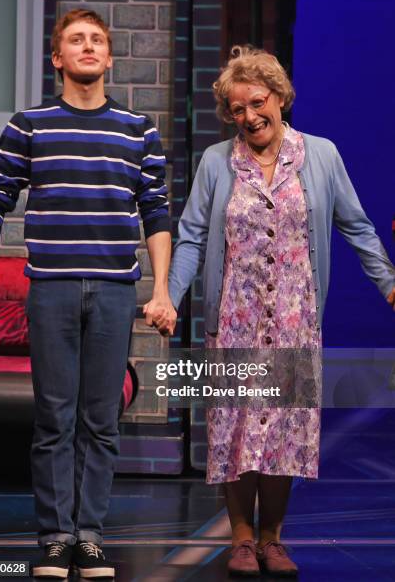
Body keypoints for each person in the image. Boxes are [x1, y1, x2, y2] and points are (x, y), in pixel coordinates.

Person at [0, 9, 176, 579]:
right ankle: (56, 538)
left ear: (108, 57)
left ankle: (90, 536)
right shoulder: (29, 125)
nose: (87, 47)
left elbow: (156, 212)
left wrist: (164, 291)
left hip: (113, 290)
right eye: (75, 40)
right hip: (51, 289)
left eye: (96, 41)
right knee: (54, 418)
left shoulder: (138, 129)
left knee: (101, 418)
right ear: (57, 58)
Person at [168, 45, 395, 577]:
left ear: (280, 97)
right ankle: (241, 539)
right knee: (237, 432)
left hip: (295, 319)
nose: (249, 116)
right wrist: (170, 296)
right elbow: (192, 238)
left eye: (257, 101)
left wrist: (388, 282)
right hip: (235, 319)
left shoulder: (321, 155)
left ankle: (272, 538)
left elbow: (357, 226)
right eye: (237, 108)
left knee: (284, 434)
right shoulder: (216, 162)